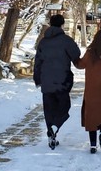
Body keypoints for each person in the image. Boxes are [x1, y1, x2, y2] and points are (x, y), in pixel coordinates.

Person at [33, 13, 81, 150]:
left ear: (50, 24)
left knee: (49, 110)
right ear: (62, 24)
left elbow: (38, 62)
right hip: (62, 81)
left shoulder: (43, 42)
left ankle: (51, 134)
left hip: (46, 81)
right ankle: (56, 126)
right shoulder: (66, 40)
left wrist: (37, 79)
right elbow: (76, 54)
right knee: (64, 107)